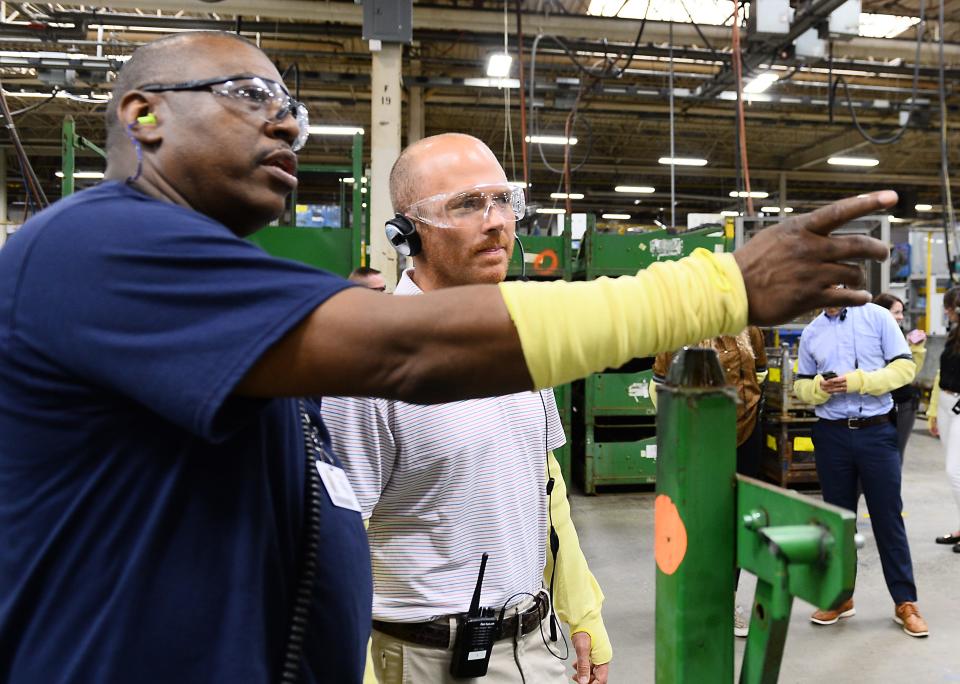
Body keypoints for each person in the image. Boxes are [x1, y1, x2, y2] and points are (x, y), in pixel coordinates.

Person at [0, 29, 899, 684]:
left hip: (522, 643)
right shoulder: (95, 248)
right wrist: (721, 288)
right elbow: (408, 360)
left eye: (296, 111)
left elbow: (529, 489)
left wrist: (575, 611)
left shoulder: (224, 294)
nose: (288, 128)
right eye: (250, 96)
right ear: (144, 114)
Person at [323, 133, 610, 684]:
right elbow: (338, 543)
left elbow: (546, 491)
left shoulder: (521, 342)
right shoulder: (368, 364)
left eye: (502, 200)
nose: (496, 220)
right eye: (467, 204)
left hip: (535, 643)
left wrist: (583, 613)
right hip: (426, 659)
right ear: (408, 232)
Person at [794, 301, 928, 637]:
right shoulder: (812, 332)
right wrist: (817, 389)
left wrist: (859, 381)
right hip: (832, 435)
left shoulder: (878, 317)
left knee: (887, 516)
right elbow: (800, 384)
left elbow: (904, 369)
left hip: (876, 431)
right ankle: (841, 597)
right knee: (838, 520)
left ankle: (905, 602)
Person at [651, 327, 767, 638]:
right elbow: (659, 383)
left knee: (734, 521)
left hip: (745, 433)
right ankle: (690, 599)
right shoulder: (680, 327)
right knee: (694, 519)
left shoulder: (750, 328)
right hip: (696, 436)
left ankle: (725, 601)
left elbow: (762, 374)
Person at [925, 285, 960, 553]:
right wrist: (934, 409)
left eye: (950, 307)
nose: (947, 311)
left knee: (955, 472)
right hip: (947, 403)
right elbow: (940, 374)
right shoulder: (953, 335)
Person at [873, 292, 927, 462]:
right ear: (882, 312)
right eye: (896, 312)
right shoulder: (869, 337)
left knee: (895, 454)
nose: (901, 317)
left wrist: (916, 349)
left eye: (901, 312)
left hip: (902, 403)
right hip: (876, 403)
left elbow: (908, 375)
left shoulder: (900, 336)